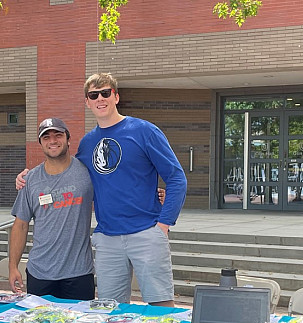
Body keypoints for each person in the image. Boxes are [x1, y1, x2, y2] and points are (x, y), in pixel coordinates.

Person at [18, 73, 187, 307]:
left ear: (116, 97)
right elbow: (67, 170)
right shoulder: (88, 143)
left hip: (146, 232)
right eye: (93, 95)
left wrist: (164, 224)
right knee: (110, 310)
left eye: (106, 93)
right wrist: (27, 176)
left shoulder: (144, 130)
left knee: (161, 307)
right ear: (87, 102)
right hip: (107, 238)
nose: (100, 98)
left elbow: (177, 177)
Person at [9, 118, 95, 300]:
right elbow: (21, 225)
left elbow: (118, 186)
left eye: (58, 135)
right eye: (46, 137)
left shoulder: (87, 172)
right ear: (40, 143)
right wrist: (13, 266)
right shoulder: (30, 179)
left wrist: (154, 194)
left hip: (78, 272)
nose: (53, 141)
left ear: (68, 139)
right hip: (40, 272)